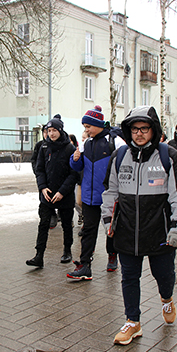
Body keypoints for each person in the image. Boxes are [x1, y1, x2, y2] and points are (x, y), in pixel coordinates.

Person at [101, 106, 177, 345]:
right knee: (129, 276)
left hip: (159, 231)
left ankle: (166, 298)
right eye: (134, 129)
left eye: (144, 128)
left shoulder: (169, 157)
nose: (139, 133)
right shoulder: (119, 157)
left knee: (163, 275)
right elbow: (110, 192)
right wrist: (109, 221)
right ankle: (133, 322)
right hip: (126, 231)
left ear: (154, 130)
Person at [67, 105, 125, 279]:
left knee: (111, 228)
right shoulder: (87, 143)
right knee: (88, 230)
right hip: (89, 196)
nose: (86, 130)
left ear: (98, 124)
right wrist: (74, 158)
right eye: (85, 127)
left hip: (109, 195)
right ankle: (85, 265)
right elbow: (77, 166)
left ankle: (112, 256)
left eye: (88, 127)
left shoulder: (115, 141)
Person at [26, 115, 78, 267]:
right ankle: (39, 255)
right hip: (47, 194)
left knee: (67, 224)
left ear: (61, 131)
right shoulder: (44, 147)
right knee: (43, 224)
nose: (51, 133)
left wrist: (62, 191)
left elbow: (73, 174)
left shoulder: (69, 148)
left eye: (54, 130)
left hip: (65, 194)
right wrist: (42, 187)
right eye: (49, 130)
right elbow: (39, 169)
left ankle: (67, 251)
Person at [31, 125, 58, 229]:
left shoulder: (58, 145)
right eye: (46, 132)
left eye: (51, 131)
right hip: (42, 177)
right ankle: (49, 216)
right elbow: (34, 160)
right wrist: (37, 172)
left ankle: (55, 215)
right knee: (44, 197)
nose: (48, 134)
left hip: (53, 177)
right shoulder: (40, 145)